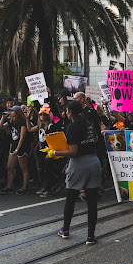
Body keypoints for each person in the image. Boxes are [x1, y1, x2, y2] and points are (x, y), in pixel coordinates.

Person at [53, 100, 101, 245]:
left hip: (79, 164)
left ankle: (66, 229)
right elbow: (96, 139)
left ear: (69, 112)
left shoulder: (72, 127)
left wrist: (54, 152)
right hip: (94, 161)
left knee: (71, 197)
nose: (64, 113)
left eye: (66, 110)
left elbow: (73, 152)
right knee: (92, 201)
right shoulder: (88, 124)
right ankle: (90, 235)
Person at [0, 105, 30, 195]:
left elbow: (22, 137)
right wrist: (3, 118)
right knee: (9, 167)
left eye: (12, 111)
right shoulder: (11, 121)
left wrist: (17, 150)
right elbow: (0, 127)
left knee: (23, 168)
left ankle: (25, 187)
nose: (11, 112)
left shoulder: (22, 122)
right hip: (13, 145)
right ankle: (9, 187)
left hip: (21, 147)